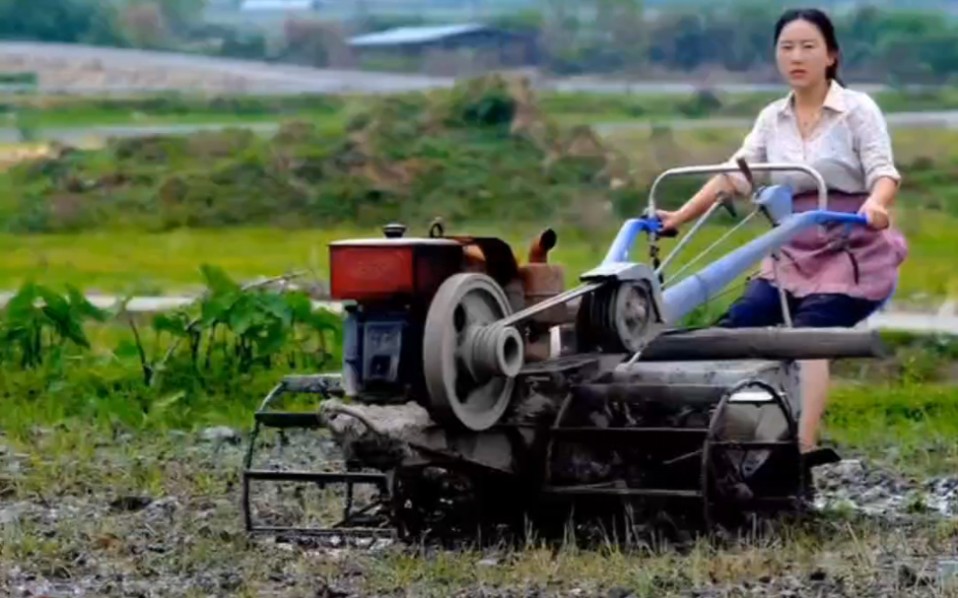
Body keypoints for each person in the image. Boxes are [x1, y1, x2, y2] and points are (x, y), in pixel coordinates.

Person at [656, 8, 908, 458]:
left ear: (831, 56)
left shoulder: (857, 110)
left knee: (808, 337)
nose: (796, 56)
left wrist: (876, 203)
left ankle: (801, 447)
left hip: (851, 251)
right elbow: (733, 177)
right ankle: (710, 436)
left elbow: (883, 172)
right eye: (786, 47)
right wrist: (678, 216)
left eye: (808, 47)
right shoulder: (772, 118)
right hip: (791, 250)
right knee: (733, 331)